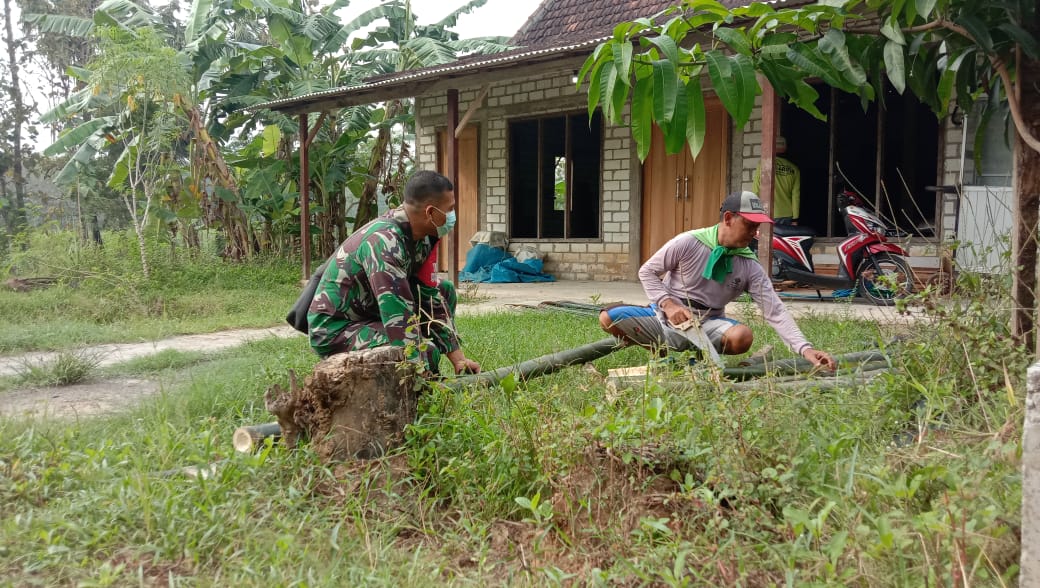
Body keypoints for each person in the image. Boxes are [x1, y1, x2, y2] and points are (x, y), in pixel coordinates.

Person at [599, 191, 835, 369]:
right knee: (608, 318)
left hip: (709, 323)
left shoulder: (749, 265)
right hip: (665, 318)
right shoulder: (688, 242)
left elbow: (775, 310)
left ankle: (702, 359)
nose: (755, 233)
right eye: (750, 225)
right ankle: (662, 355)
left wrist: (805, 349)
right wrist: (668, 305)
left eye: (757, 227)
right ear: (729, 218)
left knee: (742, 337)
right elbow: (647, 271)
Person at [307, 170, 481, 375]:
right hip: (336, 329)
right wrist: (422, 372)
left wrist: (458, 360)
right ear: (430, 212)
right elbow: (397, 315)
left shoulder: (423, 238)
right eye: (450, 209)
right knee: (426, 352)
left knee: (444, 290)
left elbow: (429, 298)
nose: (452, 216)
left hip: (370, 313)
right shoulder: (384, 243)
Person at [752, 136, 801, 225]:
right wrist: (795, 219)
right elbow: (796, 196)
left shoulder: (763, 164)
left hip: (767, 212)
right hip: (787, 214)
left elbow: (756, 190)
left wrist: (754, 212)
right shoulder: (794, 169)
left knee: (767, 239)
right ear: (785, 148)